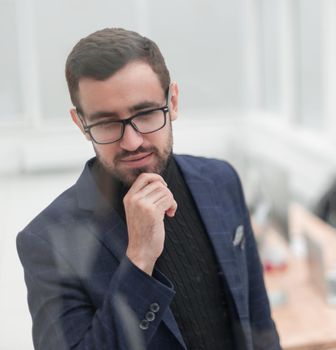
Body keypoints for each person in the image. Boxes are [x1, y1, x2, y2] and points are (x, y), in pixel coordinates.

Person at [16, 28, 280, 350]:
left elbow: (257, 320)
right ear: (81, 124)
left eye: (145, 113)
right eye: (106, 123)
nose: (133, 141)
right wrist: (139, 259)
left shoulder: (221, 181)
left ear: (174, 102)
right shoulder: (47, 239)